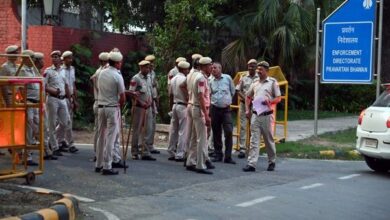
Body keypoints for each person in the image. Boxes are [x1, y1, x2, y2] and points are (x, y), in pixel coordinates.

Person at [243, 61, 281, 172]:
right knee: (254, 140)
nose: (258, 71)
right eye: (258, 69)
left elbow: (278, 98)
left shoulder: (272, 82)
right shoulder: (255, 83)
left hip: (267, 115)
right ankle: (251, 164)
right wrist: (247, 109)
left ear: (267, 71)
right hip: (255, 115)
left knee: (268, 140)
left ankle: (272, 161)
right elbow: (247, 97)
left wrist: (269, 101)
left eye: (261, 70)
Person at [95, 51, 126, 175]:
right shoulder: (117, 75)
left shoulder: (101, 73)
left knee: (101, 136)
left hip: (100, 106)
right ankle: (107, 165)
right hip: (112, 108)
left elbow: (98, 88)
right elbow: (122, 96)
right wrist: (120, 105)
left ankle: (98, 164)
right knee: (111, 138)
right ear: (117, 63)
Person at [186, 57, 214, 174]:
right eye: (209, 65)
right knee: (202, 139)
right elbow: (201, 96)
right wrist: (206, 115)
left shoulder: (196, 76)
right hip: (199, 109)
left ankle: (190, 161)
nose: (211, 67)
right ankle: (200, 165)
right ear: (203, 67)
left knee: (194, 137)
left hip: (194, 107)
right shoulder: (201, 78)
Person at [127, 60, 156, 161]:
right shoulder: (136, 78)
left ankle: (145, 152)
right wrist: (139, 102)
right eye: (146, 67)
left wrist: (151, 104)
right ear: (141, 68)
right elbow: (131, 93)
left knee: (148, 130)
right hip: (139, 107)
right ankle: (135, 152)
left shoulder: (149, 78)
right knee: (137, 130)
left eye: (148, 67)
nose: (148, 69)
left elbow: (150, 93)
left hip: (148, 107)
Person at [44, 50, 70, 157]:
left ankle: (53, 141)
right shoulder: (48, 71)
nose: (55, 58)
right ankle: (55, 147)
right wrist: (52, 91)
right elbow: (44, 86)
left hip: (63, 99)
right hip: (52, 99)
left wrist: (70, 99)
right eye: (53, 56)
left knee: (66, 122)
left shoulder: (64, 71)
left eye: (57, 56)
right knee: (52, 123)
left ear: (60, 59)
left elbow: (67, 85)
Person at [209, 62, 236, 164]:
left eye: (215, 68)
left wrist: (227, 100)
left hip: (226, 109)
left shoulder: (227, 78)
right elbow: (209, 94)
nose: (213, 70)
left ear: (220, 69)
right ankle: (218, 154)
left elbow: (232, 91)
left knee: (228, 131)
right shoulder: (210, 81)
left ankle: (228, 156)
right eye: (212, 68)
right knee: (216, 132)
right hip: (215, 108)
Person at [33, 52, 57, 160]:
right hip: (32, 104)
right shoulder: (31, 73)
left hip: (41, 103)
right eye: (41, 60)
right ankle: (26, 154)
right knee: (35, 129)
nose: (43, 62)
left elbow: (43, 87)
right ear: (36, 61)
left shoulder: (39, 72)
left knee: (45, 127)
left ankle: (47, 150)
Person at [19, 50, 39, 166]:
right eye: (32, 58)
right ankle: (26, 156)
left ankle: (28, 153)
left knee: (35, 128)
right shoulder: (22, 71)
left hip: (36, 103)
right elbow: (21, 88)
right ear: (26, 59)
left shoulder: (33, 70)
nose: (34, 60)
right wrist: (24, 101)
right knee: (28, 130)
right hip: (28, 103)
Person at [167, 61, 190, 161]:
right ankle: (180, 154)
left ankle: (171, 151)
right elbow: (187, 93)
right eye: (187, 69)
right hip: (183, 105)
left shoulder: (173, 79)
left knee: (173, 130)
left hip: (175, 105)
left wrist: (170, 107)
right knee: (182, 131)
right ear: (184, 69)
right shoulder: (185, 79)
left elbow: (170, 95)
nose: (188, 71)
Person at [236, 59, 259, 159]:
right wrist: (246, 98)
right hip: (243, 104)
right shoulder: (243, 77)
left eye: (253, 66)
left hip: (256, 104)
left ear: (256, 66)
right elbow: (238, 90)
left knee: (254, 126)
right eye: (249, 66)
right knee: (243, 126)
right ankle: (242, 149)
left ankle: (253, 148)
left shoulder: (259, 77)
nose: (251, 67)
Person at [56, 51, 78, 153]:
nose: (70, 60)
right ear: (63, 59)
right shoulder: (60, 70)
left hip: (71, 97)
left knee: (69, 121)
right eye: (68, 58)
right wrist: (69, 99)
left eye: (71, 58)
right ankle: (70, 143)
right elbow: (64, 86)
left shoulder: (72, 69)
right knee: (65, 122)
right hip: (64, 98)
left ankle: (59, 141)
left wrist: (75, 99)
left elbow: (73, 84)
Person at [91, 52, 109, 159]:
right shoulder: (102, 72)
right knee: (100, 130)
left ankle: (99, 152)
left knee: (99, 130)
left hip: (99, 102)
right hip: (100, 102)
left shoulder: (98, 71)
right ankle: (98, 153)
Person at [144, 55, 160, 154]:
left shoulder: (152, 73)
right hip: (147, 102)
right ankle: (144, 146)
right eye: (150, 62)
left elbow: (154, 87)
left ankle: (150, 145)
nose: (152, 64)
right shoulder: (145, 75)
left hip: (153, 99)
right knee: (147, 126)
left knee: (153, 124)